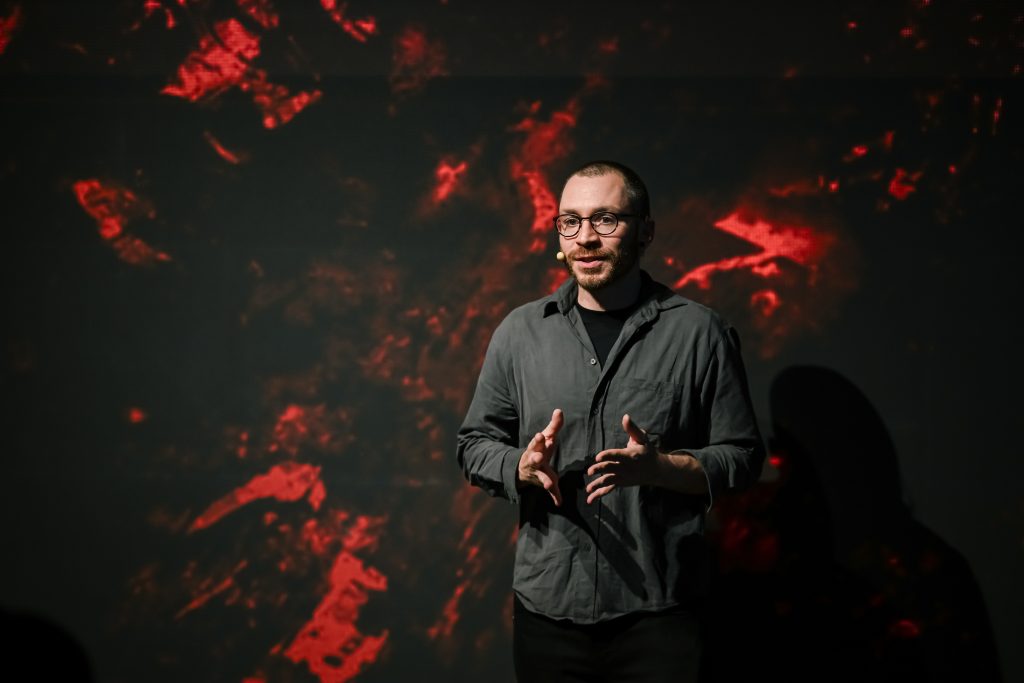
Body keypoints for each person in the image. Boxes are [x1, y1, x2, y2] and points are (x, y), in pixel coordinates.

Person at [456, 160, 765, 682]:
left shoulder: (699, 332)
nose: (585, 238)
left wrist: (662, 469)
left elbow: (744, 457)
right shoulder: (520, 332)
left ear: (645, 231)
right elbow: (474, 444)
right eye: (570, 221)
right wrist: (520, 467)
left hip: (660, 613)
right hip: (548, 609)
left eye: (605, 219)